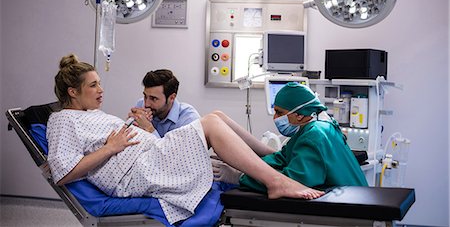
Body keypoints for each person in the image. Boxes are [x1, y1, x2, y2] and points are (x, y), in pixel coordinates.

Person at [47, 54, 324, 225]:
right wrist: (111, 148)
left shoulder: (93, 114)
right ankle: (275, 180)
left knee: (214, 117)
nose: (101, 90)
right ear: (73, 92)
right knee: (212, 123)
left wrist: (139, 134)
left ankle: (273, 161)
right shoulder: (62, 120)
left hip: (150, 156)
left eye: (99, 83)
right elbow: (63, 173)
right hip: (138, 173)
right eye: (93, 85)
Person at [211, 82, 368, 191]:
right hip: (355, 196)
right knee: (217, 117)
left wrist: (240, 177)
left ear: (299, 114)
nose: (275, 118)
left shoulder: (314, 135)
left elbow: (291, 181)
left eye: (280, 113)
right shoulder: (318, 125)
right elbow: (281, 158)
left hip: (351, 210)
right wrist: (242, 162)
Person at [130, 69, 200, 137]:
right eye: (145, 96)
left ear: (172, 98)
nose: (146, 104)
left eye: (153, 98)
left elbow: (177, 149)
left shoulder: (189, 120)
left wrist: (149, 129)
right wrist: (130, 125)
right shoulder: (140, 104)